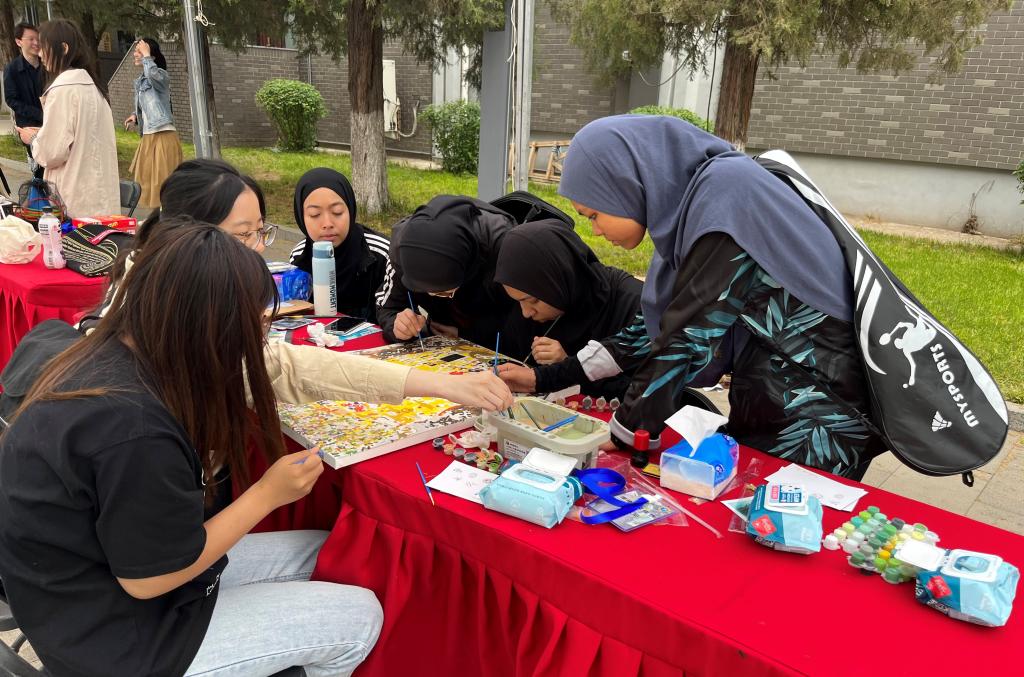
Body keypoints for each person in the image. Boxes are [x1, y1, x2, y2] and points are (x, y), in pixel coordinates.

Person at [0, 221, 383, 676]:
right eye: (252, 322)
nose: (260, 334)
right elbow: (148, 581)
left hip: (87, 586)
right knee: (360, 618)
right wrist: (267, 494)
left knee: (324, 551)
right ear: (207, 323)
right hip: (117, 639)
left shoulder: (113, 353)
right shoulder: (133, 427)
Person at [498, 115, 886, 479]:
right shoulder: (691, 210)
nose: (595, 231)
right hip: (774, 394)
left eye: (593, 215)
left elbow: (686, 336)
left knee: (783, 516)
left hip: (819, 410)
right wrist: (543, 377)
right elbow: (647, 333)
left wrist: (626, 429)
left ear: (624, 184)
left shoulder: (726, 196)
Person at [102, 159, 513, 415]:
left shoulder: (160, 287)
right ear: (189, 235)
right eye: (244, 234)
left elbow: (284, 366)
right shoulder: (156, 330)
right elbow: (277, 369)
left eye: (261, 230)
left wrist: (441, 384)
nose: (258, 249)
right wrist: (267, 494)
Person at [494, 219, 642, 399]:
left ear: (560, 281)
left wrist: (568, 364)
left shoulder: (634, 306)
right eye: (518, 301)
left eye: (533, 301)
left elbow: (642, 392)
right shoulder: (529, 303)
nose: (526, 313)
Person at [376, 195, 521, 353]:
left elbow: (523, 320)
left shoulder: (503, 251)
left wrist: (468, 335)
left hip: (497, 345)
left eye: (445, 293)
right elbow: (388, 307)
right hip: (440, 344)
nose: (432, 296)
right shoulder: (402, 251)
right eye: (422, 290)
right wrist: (397, 326)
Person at [14, 19, 119, 218]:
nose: (40, 54)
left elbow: (51, 153)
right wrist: (44, 133)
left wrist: (34, 139)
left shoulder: (62, 90)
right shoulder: (94, 87)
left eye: (44, 47)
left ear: (63, 48)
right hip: (102, 199)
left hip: (74, 202)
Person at [289, 168, 392, 322]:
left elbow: (396, 314)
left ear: (350, 209)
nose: (327, 223)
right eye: (315, 215)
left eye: (337, 212)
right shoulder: (299, 257)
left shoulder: (381, 254)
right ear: (301, 217)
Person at [124, 38, 182, 209]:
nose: (135, 54)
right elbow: (147, 103)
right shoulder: (141, 80)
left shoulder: (161, 76)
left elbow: (153, 75)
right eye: (136, 51)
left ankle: (168, 218)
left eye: (139, 51)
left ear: (151, 56)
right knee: (148, 182)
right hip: (148, 136)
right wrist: (135, 116)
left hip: (163, 135)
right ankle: (156, 219)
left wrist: (147, 55)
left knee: (163, 182)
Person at [3, 22, 44, 179]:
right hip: (30, 128)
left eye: (38, 39)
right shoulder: (12, 69)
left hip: (53, 123)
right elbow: (12, 100)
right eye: (31, 39)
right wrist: (39, 114)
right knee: (40, 171)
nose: (36, 43)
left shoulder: (48, 65)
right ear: (18, 42)